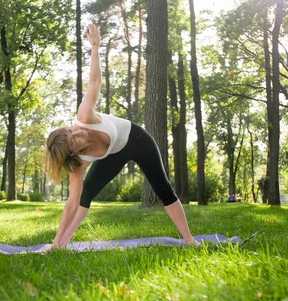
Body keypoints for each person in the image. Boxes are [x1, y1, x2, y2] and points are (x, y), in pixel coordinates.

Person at [45, 24, 198, 248]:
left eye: (71, 130)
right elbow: (71, 203)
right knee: (84, 193)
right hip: (113, 154)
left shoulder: (84, 116)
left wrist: (95, 48)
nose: (78, 132)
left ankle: (189, 239)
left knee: (163, 187)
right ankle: (63, 243)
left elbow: (94, 83)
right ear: (74, 152)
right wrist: (55, 241)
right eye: (74, 140)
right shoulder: (78, 164)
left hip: (136, 140)